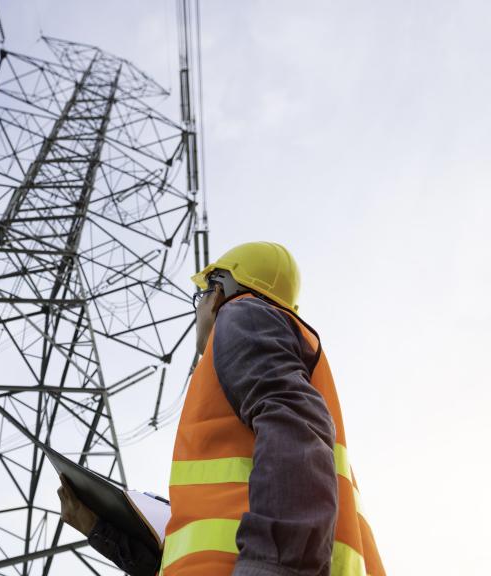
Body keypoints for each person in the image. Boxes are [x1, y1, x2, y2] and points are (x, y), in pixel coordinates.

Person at [57, 241, 384, 576]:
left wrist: (274, 567)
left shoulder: (244, 314)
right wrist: (101, 529)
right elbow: (196, 554)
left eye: (202, 295)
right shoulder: (257, 339)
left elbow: (295, 429)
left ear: (218, 292)